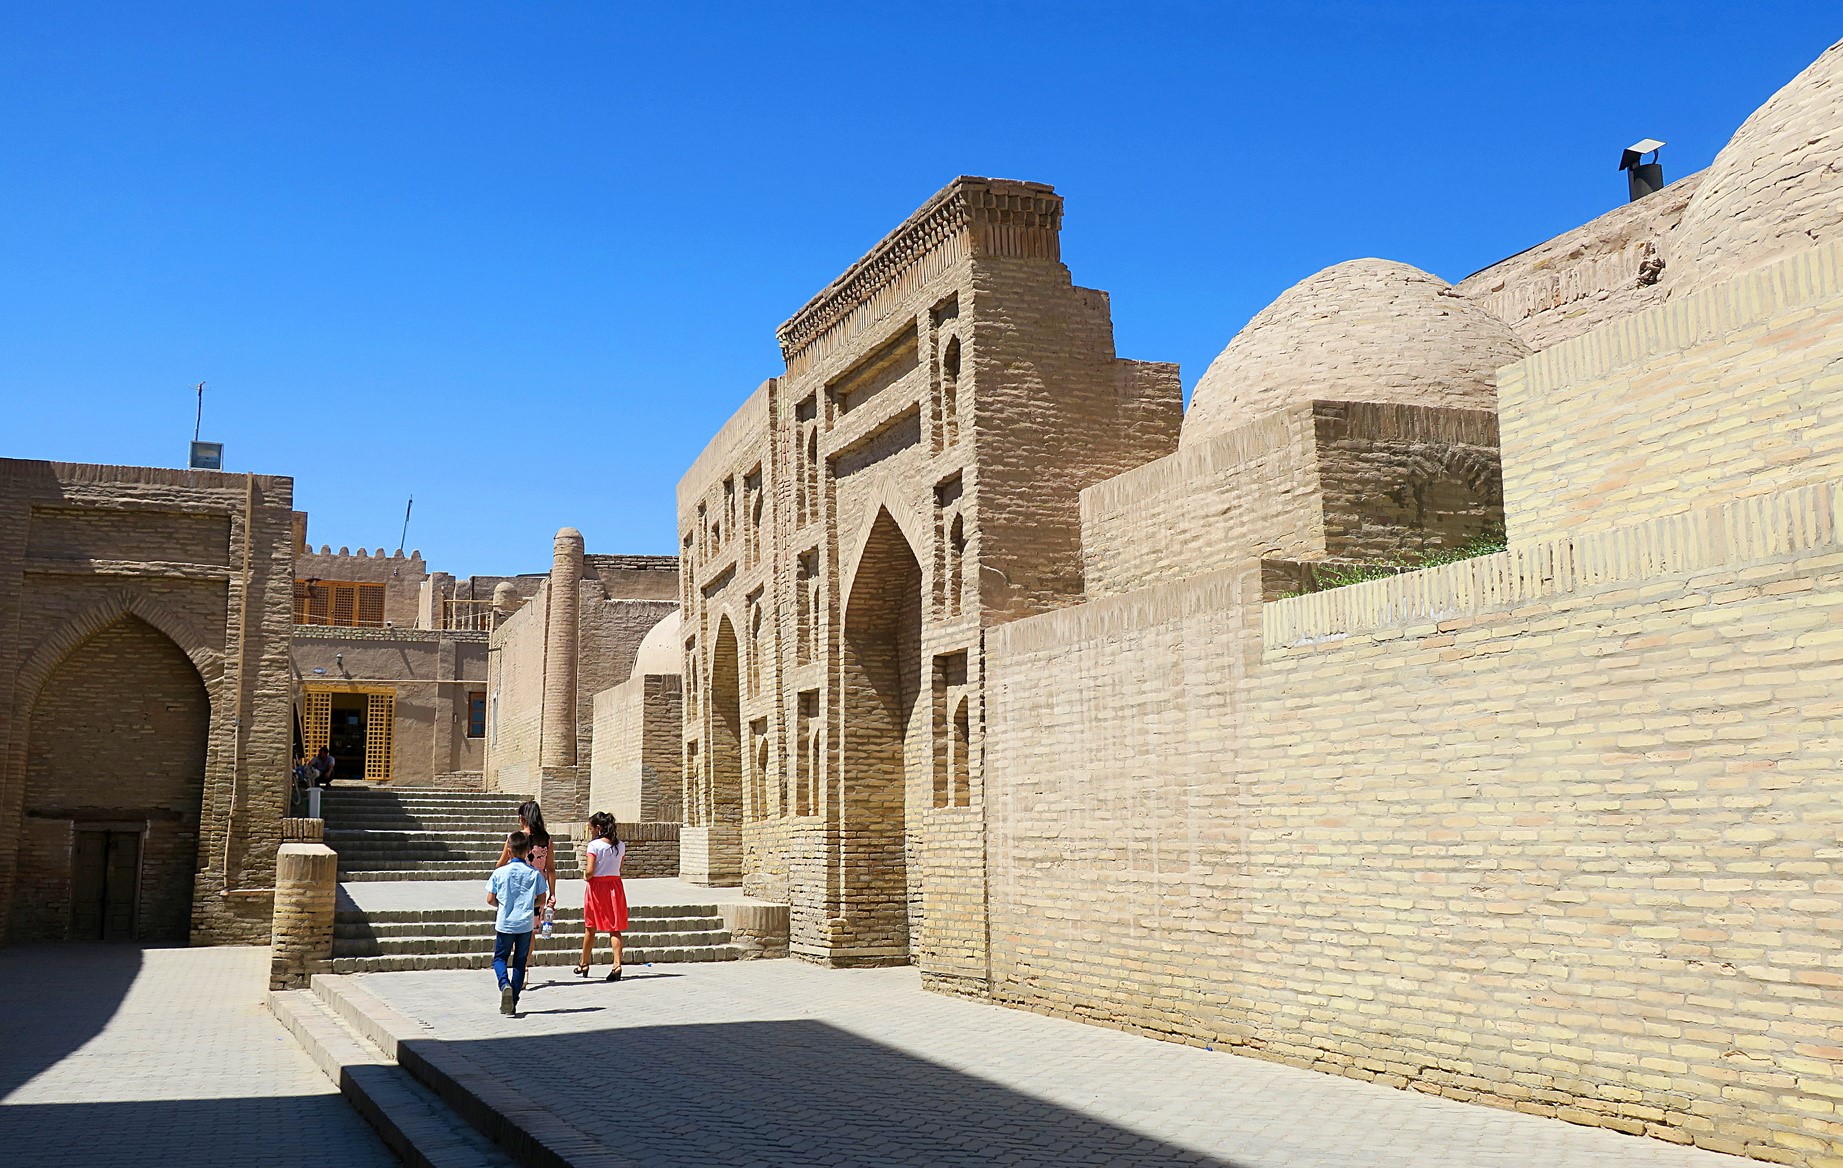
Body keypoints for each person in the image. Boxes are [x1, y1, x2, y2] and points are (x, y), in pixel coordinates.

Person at [486, 831, 548, 1015]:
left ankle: (504, 983)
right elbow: (541, 899)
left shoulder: (499, 873)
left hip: (505, 922)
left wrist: (502, 905)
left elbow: (490, 899)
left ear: (509, 851)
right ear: (528, 850)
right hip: (525, 924)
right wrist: (529, 904)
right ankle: (513, 1000)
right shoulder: (534, 874)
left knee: (499, 958)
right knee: (520, 963)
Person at [575, 811, 628, 982]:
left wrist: (585, 875)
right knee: (614, 927)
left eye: (591, 829)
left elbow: (590, 871)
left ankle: (584, 962)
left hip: (597, 887)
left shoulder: (594, 846)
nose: (590, 832)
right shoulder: (620, 845)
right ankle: (617, 964)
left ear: (598, 828)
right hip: (615, 886)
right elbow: (620, 865)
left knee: (590, 926)